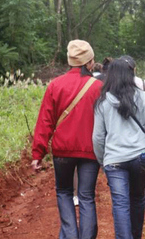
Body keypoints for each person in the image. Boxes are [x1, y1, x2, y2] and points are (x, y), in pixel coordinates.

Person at [93, 57, 145, 239]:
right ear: (131, 74)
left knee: (120, 204)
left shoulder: (102, 103)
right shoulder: (144, 98)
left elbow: (98, 137)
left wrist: (102, 161)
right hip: (140, 157)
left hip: (114, 160)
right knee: (137, 198)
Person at [32, 40, 102, 239]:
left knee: (64, 193)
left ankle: (70, 236)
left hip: (62, 151)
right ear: (89, 63)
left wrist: (38, 153)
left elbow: (45, 121)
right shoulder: (98, 87)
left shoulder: (55, 85)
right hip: (90, 151)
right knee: (87, 196)